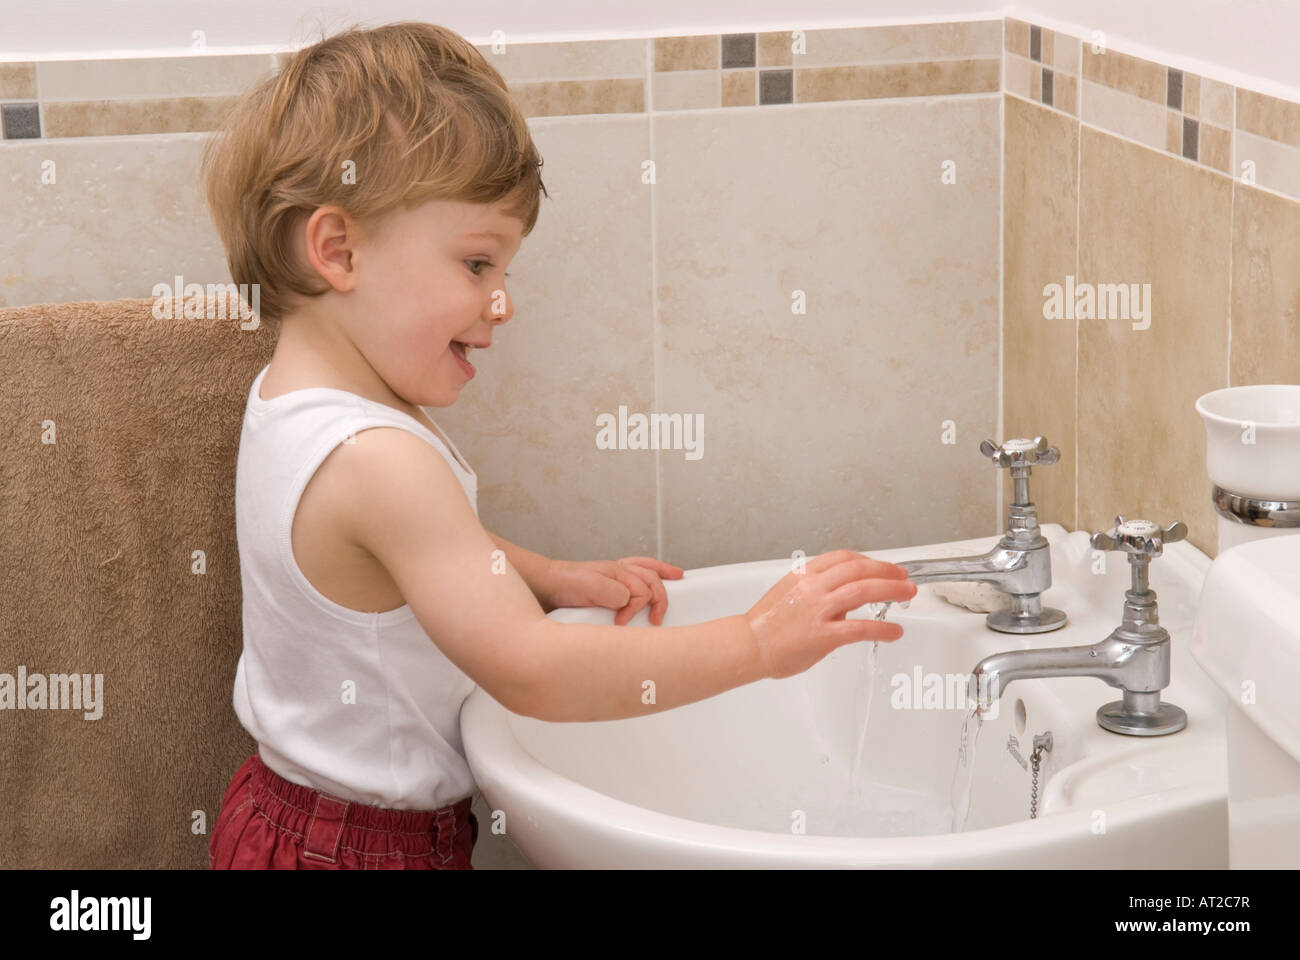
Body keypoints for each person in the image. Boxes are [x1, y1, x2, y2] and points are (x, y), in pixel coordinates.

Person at [203, 20, 915, 870]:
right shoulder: (381, 459)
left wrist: (542, 575)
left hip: (277, 818)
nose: (501, 304)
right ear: (338, 249)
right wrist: (757, 641)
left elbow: (415, 554)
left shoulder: (296, 402)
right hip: (358, 855)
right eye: (477, 265)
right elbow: (534, 671)